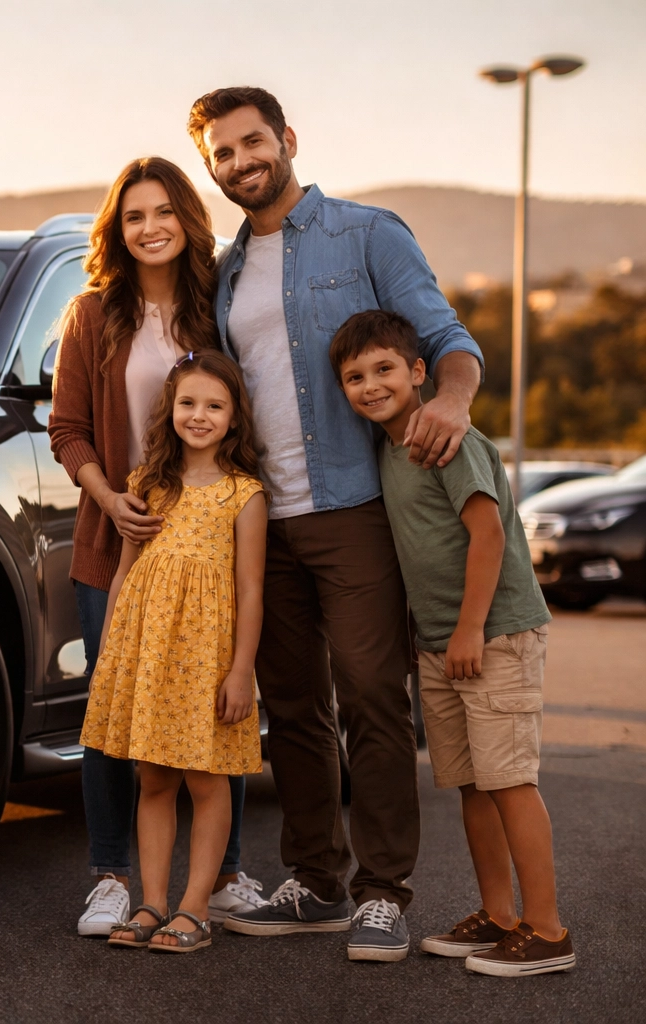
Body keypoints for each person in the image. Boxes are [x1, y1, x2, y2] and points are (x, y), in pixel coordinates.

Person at [184, 86, 487, 962]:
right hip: (261, 517)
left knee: (370, 700)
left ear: (286, 138)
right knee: (294, 710)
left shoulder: (367, 233)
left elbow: (443, 331)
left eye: (252, 143)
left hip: (353, 505)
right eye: (223, 154)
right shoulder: (229, 271)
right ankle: (315, 883)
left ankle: (383, 892)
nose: (241, 162)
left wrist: (456, 401)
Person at [48, 157, 266, 939]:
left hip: (208, 547)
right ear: (118, 227)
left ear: (187, 219)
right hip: (120, 547)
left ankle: (226, 874)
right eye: (134, 215)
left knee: (215, 712)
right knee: (117, 714)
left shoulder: (219, 313)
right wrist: (111, 500)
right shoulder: (92, 314)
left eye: (163, 211)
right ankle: (112, 877)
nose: (150, 228)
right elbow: (66, 428)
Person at [331, 309, 573, 976]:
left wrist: (469, 627)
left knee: (510, 781)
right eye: (355, 377)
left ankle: (547, 931)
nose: (371, 385)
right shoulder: (385, 448)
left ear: (417, 372)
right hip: (441, 643)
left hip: (493, 633)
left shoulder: (447, 438)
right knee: (471, 785)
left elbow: (488, 535)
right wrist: (435, 636)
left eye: (384, 369)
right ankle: (498, 918)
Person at [80, 349, 267, 953]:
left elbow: (250, 589)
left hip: (206, 660)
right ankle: (152, 903)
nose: (200, 415)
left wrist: (241, 671)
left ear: (235, 417)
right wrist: (111, 653)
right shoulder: (148, 484)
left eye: (215, 405)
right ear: (170, 410)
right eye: (188, 403)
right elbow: (125, 573)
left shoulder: (244, 494)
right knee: (153, 777)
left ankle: (195, 909)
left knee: (206, 782)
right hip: (148, 654)